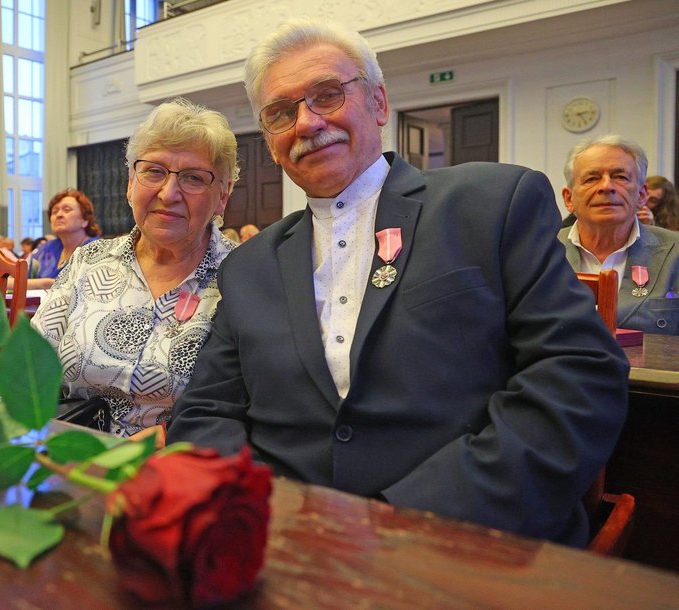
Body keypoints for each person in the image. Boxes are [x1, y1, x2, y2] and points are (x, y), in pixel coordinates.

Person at [167, 18, 629, 547]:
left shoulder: (490, 204)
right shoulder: (249, 266)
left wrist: (403, 518)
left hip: (466, 539)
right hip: (286, 542)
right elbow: (206, 412)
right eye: (280, 112)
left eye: (327, 95)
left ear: (379, 103)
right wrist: (261, 513)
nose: (307, 123)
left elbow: (579, 376)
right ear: (270, 142)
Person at [31, 98, 239, 437]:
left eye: (193, 178)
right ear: (130, 183)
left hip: (179, 466)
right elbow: (29, 367)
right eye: (154, 171)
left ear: (223, 195)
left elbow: (245, 404)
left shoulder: (240, 277)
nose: (169, 193)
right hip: (69, 456)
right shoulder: (88, 262)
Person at [557, 136, 679, 334]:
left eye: (620, 177)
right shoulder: (539, 253)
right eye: (592, 178)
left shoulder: (675, 253)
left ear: (641, 195)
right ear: (569, 198)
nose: (606, 187)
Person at [26, 189, 102, 289]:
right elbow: (14, 281)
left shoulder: (98, 250)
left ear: (85, 220)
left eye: (67, 210)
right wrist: (45, 284)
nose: (59, 215)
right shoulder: (44, 250)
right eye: (54, 211)